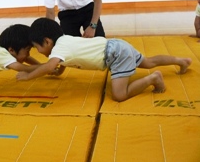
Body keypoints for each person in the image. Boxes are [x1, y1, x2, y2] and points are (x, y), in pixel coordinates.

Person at [16, 18, 192, 102]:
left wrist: (27, 76)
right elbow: (57, 66)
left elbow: (49, 66)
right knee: (149, 61)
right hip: (116, 45)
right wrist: (56, 71)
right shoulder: (64, 40)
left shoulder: (58, 49)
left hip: (115, 55)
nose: (38, 51)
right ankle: (180, 61)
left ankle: (153, 79)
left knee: (119, 95)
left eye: (37, 47)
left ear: (47, 41)